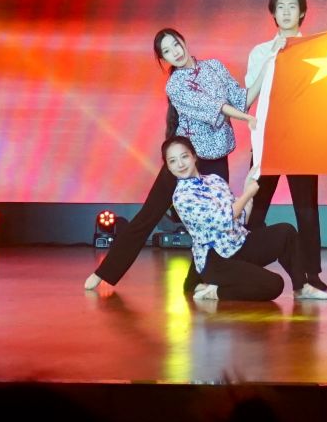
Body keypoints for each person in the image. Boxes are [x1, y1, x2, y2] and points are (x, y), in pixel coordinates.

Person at [83, 28, 253, 291]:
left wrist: (268, 67)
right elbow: (215, 109)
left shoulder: (214, 66)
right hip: (185, 159)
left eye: (175, 44)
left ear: (183, 41)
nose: (175, 52)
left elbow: (241, 100)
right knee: (149, 215)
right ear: (164, 59)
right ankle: (104, 272)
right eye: (167, 51)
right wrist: (247, 119)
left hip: (217, 157)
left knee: (216, 224)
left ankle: (197, 282)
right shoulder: (175, 85)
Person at [163, 136, 327, 302]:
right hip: (217, 260)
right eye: (173, 161)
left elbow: (242, 218)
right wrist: (247, 193)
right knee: (274, 284)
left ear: (194, 156)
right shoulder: (181, 197)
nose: (180, 164)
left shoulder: (214, 180)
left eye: (184, 156)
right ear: (168, 167)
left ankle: (301, 288)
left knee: (286, 232)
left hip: (239, 244)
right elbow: (224, 220)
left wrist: (248, 187)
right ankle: (215, 292)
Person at [243, 0, 326, 291]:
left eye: (292, 6)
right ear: (274, 14)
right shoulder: (260, 51)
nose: (287, 11)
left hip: (301, 140)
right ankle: (246, 264)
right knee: (256, 205)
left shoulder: (315, 50)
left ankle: (312, 273)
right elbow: (248, 95)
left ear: (302, 13)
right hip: (267, 139)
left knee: (307, 210)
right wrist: (273, 56)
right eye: (281, 7)